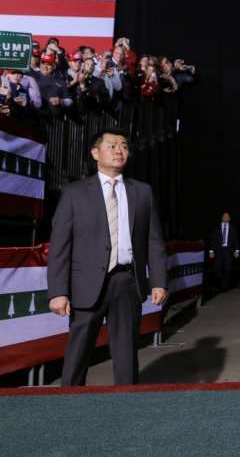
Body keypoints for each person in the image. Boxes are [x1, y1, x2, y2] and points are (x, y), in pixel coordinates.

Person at [46, 127, 168, 386]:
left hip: (127, 282)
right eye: (112, 145)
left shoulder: (142, 192)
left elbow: (154, 240)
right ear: (95, 152)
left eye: (124, 146)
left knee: (126, 353)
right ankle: (68, 404)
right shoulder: (74, 193)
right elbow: (59, 246)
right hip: (86, 284)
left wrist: (158, 281)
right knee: (78, 351)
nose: (119, 150)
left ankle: (124, 405)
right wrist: (58, 291)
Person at [208, 211, 240, 291]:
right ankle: (224, 282)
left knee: (228, 269)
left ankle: (224, 286)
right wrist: (211, 251)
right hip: (218, 251)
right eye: (224, 216)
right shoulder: (217, 227)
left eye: (227, 216)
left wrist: (237, 250)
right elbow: (213, 239)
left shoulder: (233, 228)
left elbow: (236, 240)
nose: (226, 218)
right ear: (222, 218)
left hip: (228, 251)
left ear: (229, 219)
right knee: (217, 269)